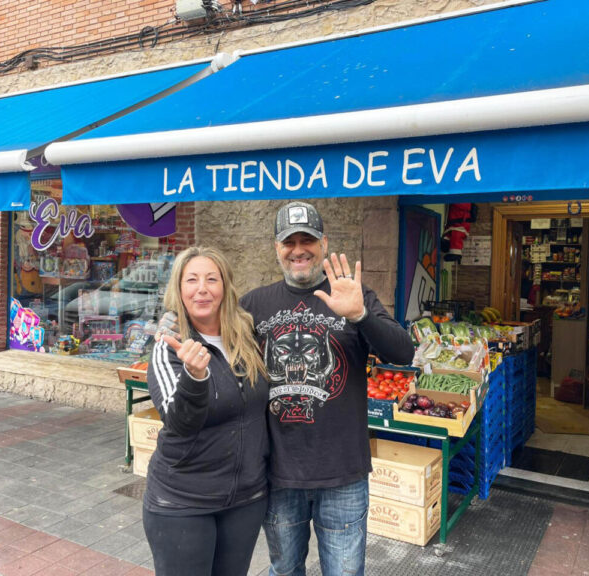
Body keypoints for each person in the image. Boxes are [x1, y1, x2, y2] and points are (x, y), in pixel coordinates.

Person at [240, 201, 415, 576]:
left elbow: (403, 353)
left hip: (343, 473)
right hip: (278, 472)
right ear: (276, 248)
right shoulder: (254, 304)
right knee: (284, 571)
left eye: (308, 240)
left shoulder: (353, 294)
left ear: (324, 243)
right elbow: (219, 353)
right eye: (289, 241)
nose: (299, 249)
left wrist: (360, 316)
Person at [143, 246, 269, 576]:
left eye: (212, 279)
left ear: (225, 287)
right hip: (183, 503)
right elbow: (178, 421)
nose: (202, 288)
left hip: (246, 499)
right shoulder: (170, 348)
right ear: (179, 289)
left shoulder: (247, 336)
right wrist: (194, 378)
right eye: (192, 280)